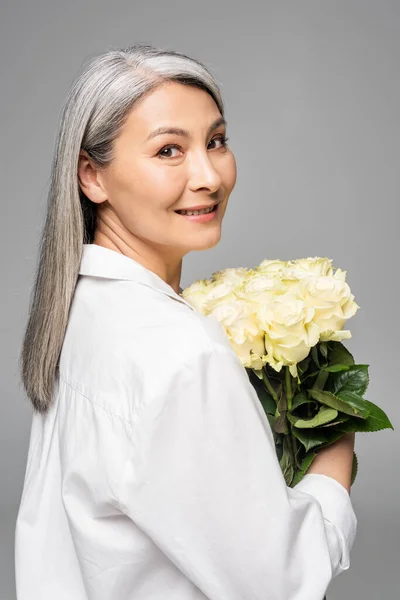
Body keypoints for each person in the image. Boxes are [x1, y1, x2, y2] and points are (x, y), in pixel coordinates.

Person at [14, 43, 357, 600]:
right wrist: (332, 466)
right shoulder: (181, 351)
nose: (208, 176)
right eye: (169, 150)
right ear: (92, 177)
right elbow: (279, 584)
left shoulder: (78, 309)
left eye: (216, 142)